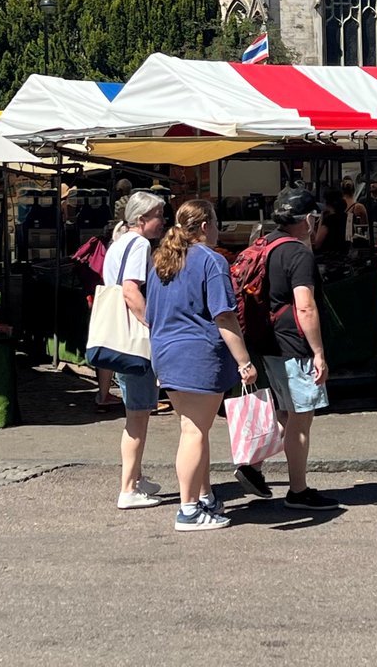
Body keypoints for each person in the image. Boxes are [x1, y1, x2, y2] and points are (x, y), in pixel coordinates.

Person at [148, 200, 257, 531]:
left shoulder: (161, 262)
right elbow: (224, 315)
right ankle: (189, 508)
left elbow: (149, 314)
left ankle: (204, 496)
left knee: (194, 428)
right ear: (206, 225)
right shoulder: (212, 260)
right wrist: (244, 361)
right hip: (198, 353)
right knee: (194, 431)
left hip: (165, 351)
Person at [246, 186, 339, 511]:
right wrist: (319, 352)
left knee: (286, 412)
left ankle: (253, 466)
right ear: (306, 220)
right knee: (301, 418)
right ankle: (298, 490)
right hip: (293, 344)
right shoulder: (298, 253)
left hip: (268, 340)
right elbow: (305, 306)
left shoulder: (266, 243)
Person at [101, 190, 167, 510]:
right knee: (138, 415)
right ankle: (128, 488)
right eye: (159, 216)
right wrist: (153, 326)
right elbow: (130, 291)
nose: (163, 222)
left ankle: (136, 477)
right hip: (133, 340)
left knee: (135, 411)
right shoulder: (139, 244)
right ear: (142, 219)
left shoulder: (119, 242)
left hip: (117, 337)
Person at [312, 188, 347, 255]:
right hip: (343, 254)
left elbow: (317, 243)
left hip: (328, 256)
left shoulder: (329, 220)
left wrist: (322, 218)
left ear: (327, 203)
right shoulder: (346, 216)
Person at [341, 176, 368, 240]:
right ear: (354, 190)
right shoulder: (359, 207)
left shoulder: (336, 207)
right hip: (354, 241)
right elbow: (365, 227)